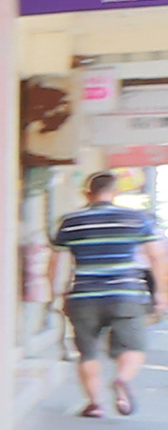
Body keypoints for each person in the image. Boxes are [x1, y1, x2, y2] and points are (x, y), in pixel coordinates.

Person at [53, 169, 161, 417]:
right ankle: (122, 380)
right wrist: (160, 293)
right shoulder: (136, 219)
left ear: (87, 194)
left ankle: (95, 404)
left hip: (84, 296)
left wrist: (56, 292)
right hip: (126, 295)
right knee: (133, 347)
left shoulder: (71, 221)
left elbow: (56, 261)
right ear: (115, 192)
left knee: (88, 352)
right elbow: (156, 256)